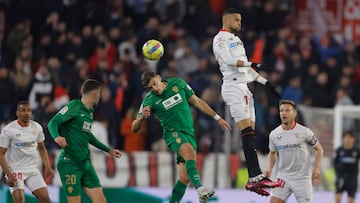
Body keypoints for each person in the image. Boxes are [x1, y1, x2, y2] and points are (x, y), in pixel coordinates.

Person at [131, 71, 231, 203]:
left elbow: (197, 101)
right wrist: (142, 118)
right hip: (173, 134)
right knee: (189, 153)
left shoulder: (178, 83)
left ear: (159, 78)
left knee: (184, 178)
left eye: (155, 84)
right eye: (150, 87)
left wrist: (217, 117)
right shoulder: (149, 100)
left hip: (189, 133)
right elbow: (134, 128)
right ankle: (200, 189)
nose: (154, 88)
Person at [212, 8, 281, 196]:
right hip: (232, 87)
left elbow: (247, 70)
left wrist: (267, 84)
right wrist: (252, 63)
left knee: (251, 132)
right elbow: (228, 61)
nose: (239, 24)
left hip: (244, 87)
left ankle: (255, 178)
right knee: (246, 130)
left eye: (240, 20)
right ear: (226, 20)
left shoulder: (237, 40)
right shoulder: (220, 39)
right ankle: (254, 176)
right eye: (237, 20)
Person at [47, 79, 122, 203]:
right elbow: (53, 122)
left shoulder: (90, 112)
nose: (100, 96)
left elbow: (88, 136)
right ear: (94, 94)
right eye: (99, 93)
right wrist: (57, 137)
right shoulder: (74, 106)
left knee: (101, 200)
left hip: (85, 163)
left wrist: (108, 150)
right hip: (69, 163)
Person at [265, 100, 324, 203]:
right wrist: (269, 168)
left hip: (302, 179)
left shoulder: (304, 132)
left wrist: (317, 168)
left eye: (287, 110)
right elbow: (272, 153)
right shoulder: (274, 134)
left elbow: (319, 149)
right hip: (284, 177)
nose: (283, 113)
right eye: (281, 110)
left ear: (295, 113)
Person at [0, 100, 54, 203]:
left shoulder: (37, 127)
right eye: (23, 110)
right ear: (17, 113)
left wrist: (47, 166)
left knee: (46, 200)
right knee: (20, 201)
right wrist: (8, 174)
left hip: (32, 169)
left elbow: (42, 147)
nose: (26, 113)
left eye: (29, 110)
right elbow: (1, 154)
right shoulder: (9, 130)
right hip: (15, 169)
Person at [334, 131, 360, 203]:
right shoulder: (339, 150)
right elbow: (335, 163)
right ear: (343, 138)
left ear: (353, 139)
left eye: (350, 137)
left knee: (351, 199)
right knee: (338, 198)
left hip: (352, 178)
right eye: (346, 137)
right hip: (341, 177)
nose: (348, 139)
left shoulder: (357, 151)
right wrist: (337, 174)